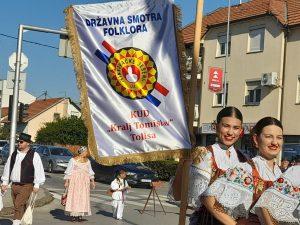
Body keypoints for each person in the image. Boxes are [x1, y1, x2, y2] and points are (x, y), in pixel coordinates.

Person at [202, 117, 283, 225]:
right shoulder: (246, 169)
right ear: (256, 139)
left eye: (279, 137)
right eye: (268, 137)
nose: (275, 142)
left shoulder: (281, 173)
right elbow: (208, 198)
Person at [188, 106, 248, 225]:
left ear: (241, 131)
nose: (230, 132)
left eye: (236, 128)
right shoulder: (204, 154)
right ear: (216, 126)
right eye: (226, 126)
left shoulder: (244, 158)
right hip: (208, 220)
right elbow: (198, 199)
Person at [1, 133, 45, 225]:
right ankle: (23, 220)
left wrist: (37, 184)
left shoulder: (34, 155)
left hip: (27, 185)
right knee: (19, 205)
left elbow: (39, 170)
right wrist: (5, 182)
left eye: (21, 142)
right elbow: (7, 168)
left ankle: (16, 222)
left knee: (18, 205)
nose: (19, 144)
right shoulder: (14, 154)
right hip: (14, 185)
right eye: (18, 142)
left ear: (28, 143)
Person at [64, 146, 95, 222]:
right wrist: (67, 181)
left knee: (83, 197)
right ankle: (74, 215)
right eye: (86, 151)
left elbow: (90, 171)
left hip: (84, 182)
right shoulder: (73, 160)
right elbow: (69, 171)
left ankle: (80, 215)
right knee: (75, 197)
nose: (87, 153)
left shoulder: (87, 161)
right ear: (81, 152)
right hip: (75, 181)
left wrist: (92, 181)